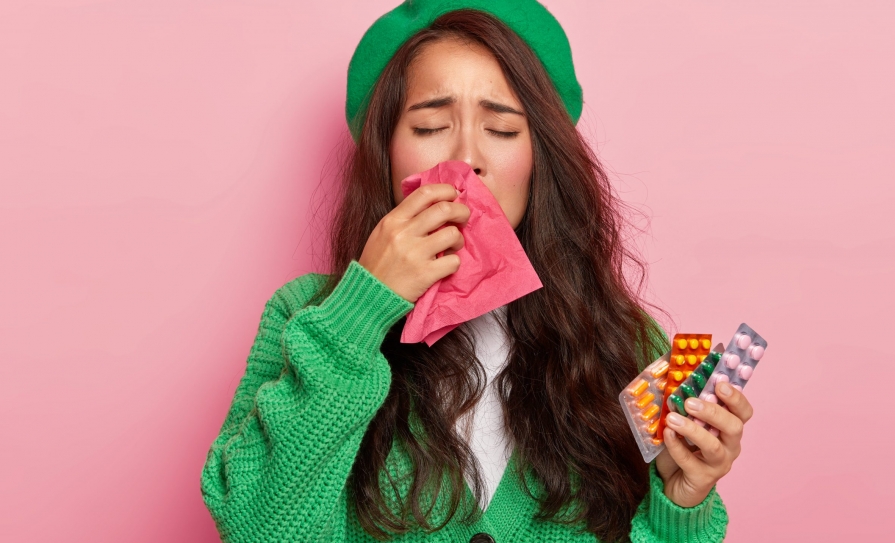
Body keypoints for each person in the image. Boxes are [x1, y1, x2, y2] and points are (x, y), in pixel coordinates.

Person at [200, 1, 754, 542]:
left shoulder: (624, 341)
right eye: (430, 125)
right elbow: (257, 530)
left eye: (504, 130)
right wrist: (362, 309)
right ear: (386, 155)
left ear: (542, 162)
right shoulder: (309, 316)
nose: (466, 158)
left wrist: (680, 509)